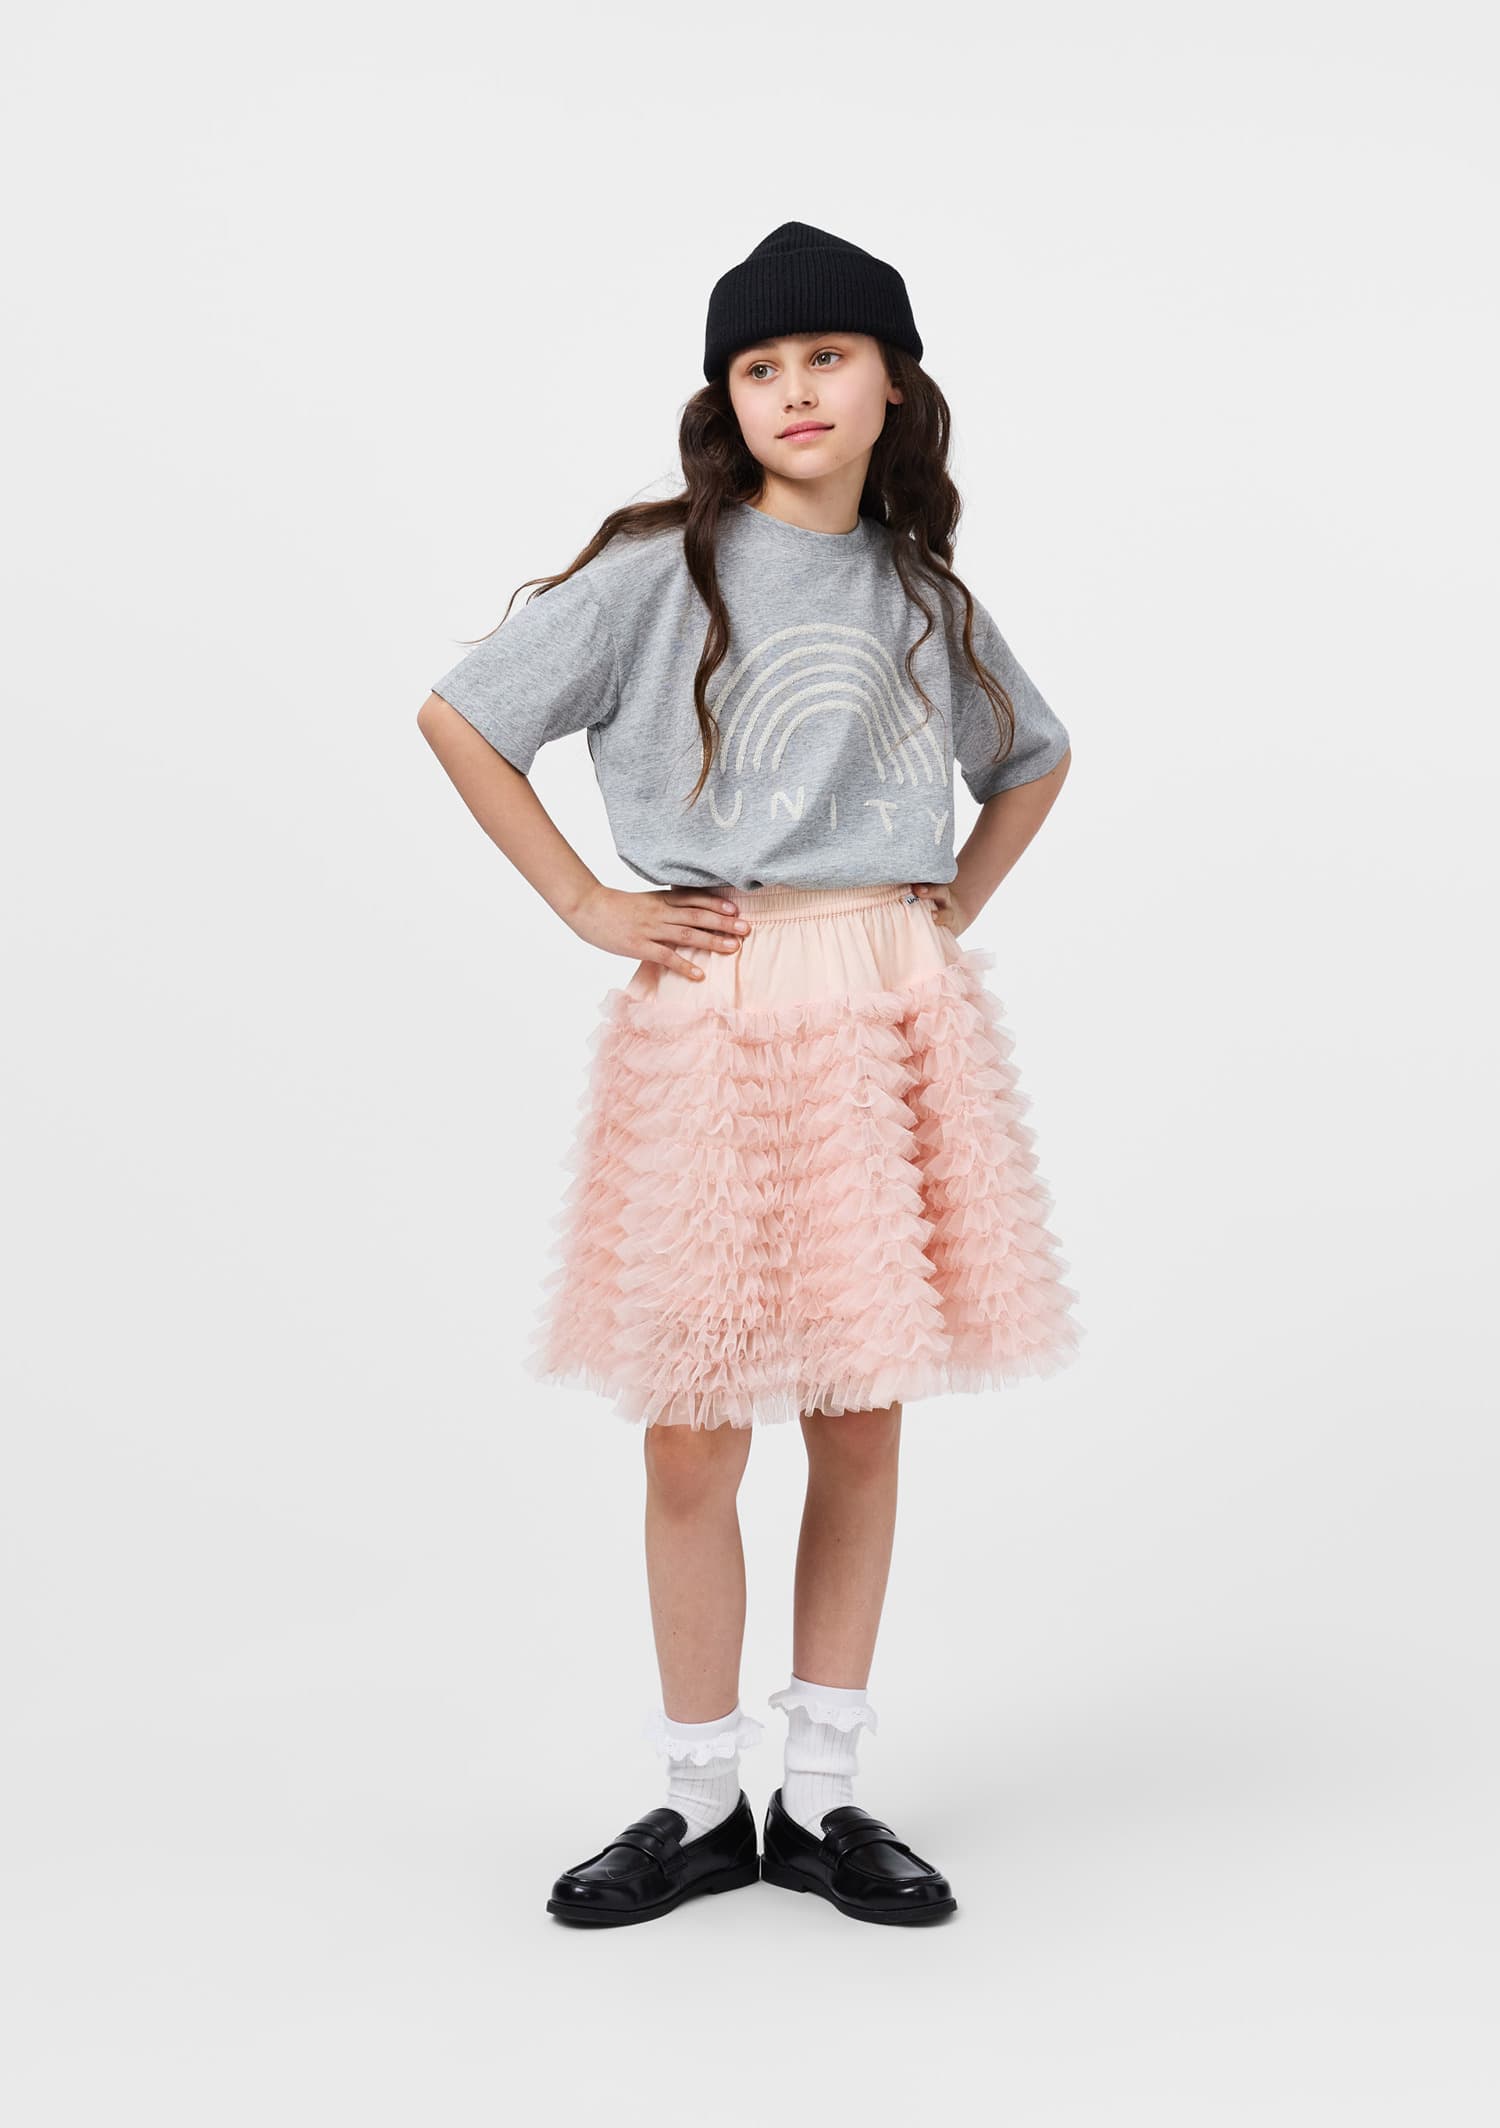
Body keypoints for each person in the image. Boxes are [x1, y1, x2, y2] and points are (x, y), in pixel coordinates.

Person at [417, 221, 1082, 1930]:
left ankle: (827, 1793)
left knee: (859, 1415)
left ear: (892, 386)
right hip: (717, 1012)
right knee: (694, 1433)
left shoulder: (923, 595)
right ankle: (699, 1799)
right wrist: (586, 902)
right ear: (727, 399)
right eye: (759, 366)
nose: (795, 389)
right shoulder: (665, 573)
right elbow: (464, 717)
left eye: (827, 357)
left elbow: (1033, 754)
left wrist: (948, 901)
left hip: (884, 1006)